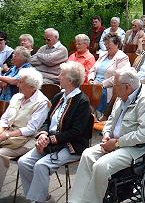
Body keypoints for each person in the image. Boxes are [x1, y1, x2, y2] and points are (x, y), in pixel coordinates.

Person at [69, 68, 145, 203]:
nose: (113, 88)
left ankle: (92, 200)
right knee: (87, 155)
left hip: (138, 148)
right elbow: (111, 120)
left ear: (127, 87)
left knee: (101, 166)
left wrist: (117, 142)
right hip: (116, 142)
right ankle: (76, 200)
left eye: (115, 85)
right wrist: (106, 134)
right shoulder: (122, 97)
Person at [18, 61, 91, 203]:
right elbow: (47, 120)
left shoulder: (82, 101)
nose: (58, 76)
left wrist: (50, 139)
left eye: (61, 74)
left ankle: (38, 200)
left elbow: (77, 131)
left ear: (70, 81)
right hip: (49, 141)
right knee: (23, 162)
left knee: (41, 166)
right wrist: (43, 134)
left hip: (70, 145)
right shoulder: (59, 97)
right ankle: (41, 198)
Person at [0, 68, 49, 191]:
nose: (17, 84)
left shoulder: (41, 102)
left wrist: (7, 135)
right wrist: (1, 130)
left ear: (32, 86)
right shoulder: (17, 96)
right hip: (7, 134)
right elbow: (5, 118)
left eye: (21, 82)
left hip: (26, 140)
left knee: (0, 155)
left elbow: (31, 129)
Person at [88, 34, 130, 115]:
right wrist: (91, 79)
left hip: (107, 87)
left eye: (108, 44)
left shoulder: (122, 57)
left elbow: (120, 76)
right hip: (93, 84)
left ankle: (98, 116)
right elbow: (93, 69)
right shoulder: (103, 55)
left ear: (117, 44)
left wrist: (101, 84)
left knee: (98, 93)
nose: (106, 46)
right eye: (105, 44)